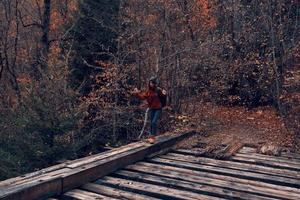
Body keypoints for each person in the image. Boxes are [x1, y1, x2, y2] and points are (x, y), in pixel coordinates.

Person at [132, 76, 167, 143]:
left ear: (155, 83)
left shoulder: (158, 90)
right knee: (151, 122)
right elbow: (142, 97)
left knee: (154, 122)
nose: (151, 84)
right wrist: (136, 93)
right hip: (152, 108)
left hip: (158, 108)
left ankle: (153, 137)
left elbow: (163, 96)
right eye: (150, 82)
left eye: (152, 83)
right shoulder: (148, 91)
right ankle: (151, 136)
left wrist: (165, 94)